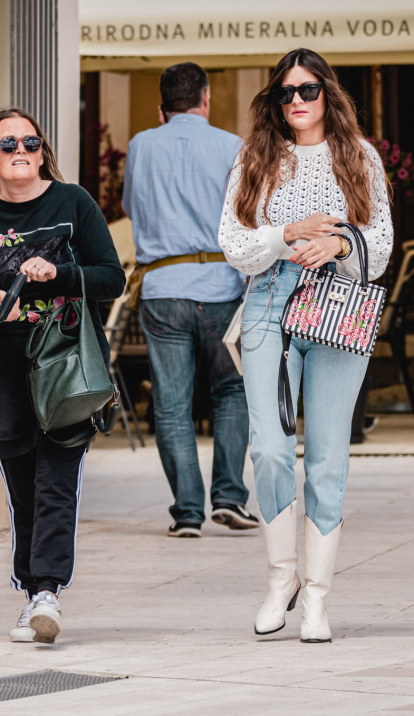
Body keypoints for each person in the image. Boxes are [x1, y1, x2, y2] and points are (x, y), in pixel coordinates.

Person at [219, 48, 393, 643]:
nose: (296, 101)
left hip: (337, 308)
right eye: (285, 93)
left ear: (329, 94)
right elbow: (232, 243)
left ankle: (317, 599)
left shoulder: (358, 156)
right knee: (268, 447)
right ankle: (280, 580)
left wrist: (341, 246)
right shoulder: (255, 158)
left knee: (326, 457)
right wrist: (285, 233)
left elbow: (383, 241)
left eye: (308, 90)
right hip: (269, 301)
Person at [0, 107, 125, 645]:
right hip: (5, 368)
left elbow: (110, 278)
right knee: (23, 489)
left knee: (56, 483)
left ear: (43, 150)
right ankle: (33, 591)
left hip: (67, 364)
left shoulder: (73, 204)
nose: (21, 150)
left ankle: (47, 591)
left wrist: (60, 274)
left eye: (30, 141)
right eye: (8, 144)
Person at [122, 62, 258, 539]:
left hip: (162, 287)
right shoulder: (231, 146)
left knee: (172, 404)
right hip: (222, 285)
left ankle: (187, 512)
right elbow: (248, 216)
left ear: (161, 108)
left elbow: (130, 206)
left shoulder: (140, 144)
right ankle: (229, 496)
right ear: (205, 99)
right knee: (232, 390)